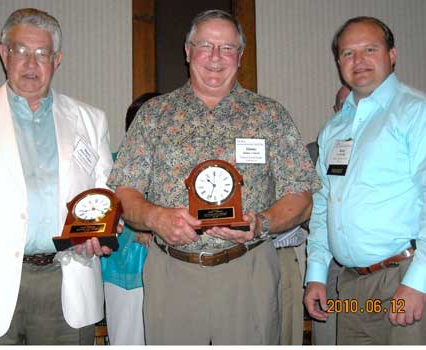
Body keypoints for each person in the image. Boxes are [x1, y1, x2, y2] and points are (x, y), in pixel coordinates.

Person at [107, 9, 320, 345]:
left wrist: (262, 222)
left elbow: (301, 197)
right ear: (188, 51)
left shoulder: (270, 116)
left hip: (248, 270)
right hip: (171, 273)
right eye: (205, 45)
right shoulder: (153, 115)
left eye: (227, 48)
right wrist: (155, 217)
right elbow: (125, 192)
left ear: (240, 56)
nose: (216, 57)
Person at [0, 8, 113, 345]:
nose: (31, 63)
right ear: (3, 54)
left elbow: (103, 197)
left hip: (67, 285)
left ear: (57, 60)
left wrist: (102, 233)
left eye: (42, 53)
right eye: (20, 51)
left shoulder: (91, 120)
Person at [305, 16, 426, 345]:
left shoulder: (416, 113)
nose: (358, 61)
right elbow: (322, 207)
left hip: (404, 277)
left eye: (369, 49)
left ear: (392, 55)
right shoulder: (333, 130)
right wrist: (316, 275)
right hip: (352, 284)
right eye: (347, 53)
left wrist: (419, 282)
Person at [101, 92, 160, 345]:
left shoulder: (177, 170)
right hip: (124, 273)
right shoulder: (110, 165)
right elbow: (99, 218)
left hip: (171, 274)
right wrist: (139, 227)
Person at [310, 85, 348, 346]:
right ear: (335, 111)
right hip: (332, 266)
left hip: (388, 272)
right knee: (330, 338)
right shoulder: (321, 148)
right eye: (344, 107)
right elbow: (315, 211)